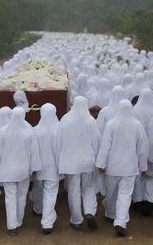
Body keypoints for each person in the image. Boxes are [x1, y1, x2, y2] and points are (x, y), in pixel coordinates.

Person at [95, 100, 149, 237]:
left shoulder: (111, 124)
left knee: (111, 193)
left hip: (112, 167)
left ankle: (111, 214)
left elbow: (105, 145)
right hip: (130, 168)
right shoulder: (137, 125)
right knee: (125, 196)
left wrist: (101, 164)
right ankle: (120, 222)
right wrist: (143, 166)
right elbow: (142, 148)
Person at [0, 107, 41, 236]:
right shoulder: (28, 132)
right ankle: (19, 221)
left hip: (7, 170)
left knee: (10, 198)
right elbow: (34, 153)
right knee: (21, 197)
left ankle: (11, 226)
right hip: (23, 171)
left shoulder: (2, 132)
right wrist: (33, 170)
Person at [57, 96, 100, 231]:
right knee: (88, 187)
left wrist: (60, 159)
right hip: (87, 161)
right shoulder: (91, 120)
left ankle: (76, 220)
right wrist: (96, 158)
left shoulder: (65, 119)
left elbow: (59, 141)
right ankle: (89, 211)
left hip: (70, 162)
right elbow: (97, 141)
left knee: (74, 190)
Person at [32, 103, 60, 235]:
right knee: (50, 193)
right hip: (54, 168)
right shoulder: (60, 129)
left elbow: (31, 151)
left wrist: (32, 167)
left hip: (39, 167)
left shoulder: (35, 130)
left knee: (38, 188)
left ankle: (38, 209)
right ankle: (47, 222)